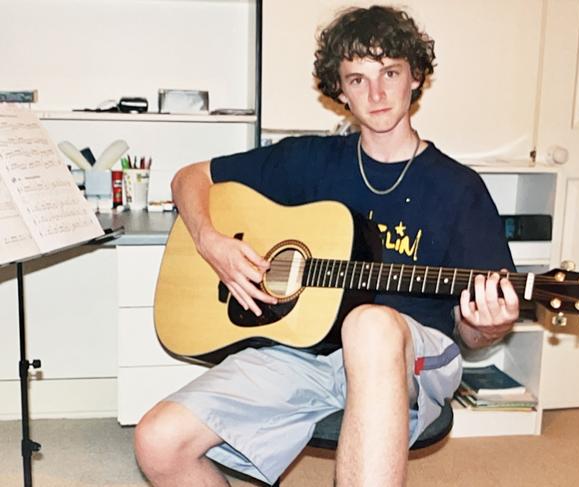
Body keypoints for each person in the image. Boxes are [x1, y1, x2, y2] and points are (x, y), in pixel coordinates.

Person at [134, 5, 519, 487]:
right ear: (340, 91)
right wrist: (211, 243)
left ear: (415, 77)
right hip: (305, 348)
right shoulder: (310, 159)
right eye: (358, 79)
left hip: (411, 353)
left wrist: (486, 326)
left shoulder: (459, 189)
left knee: (370, 324)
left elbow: (474, 335)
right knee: (158, 441)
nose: (376, 93)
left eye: (390, 73)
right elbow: (190, 177)